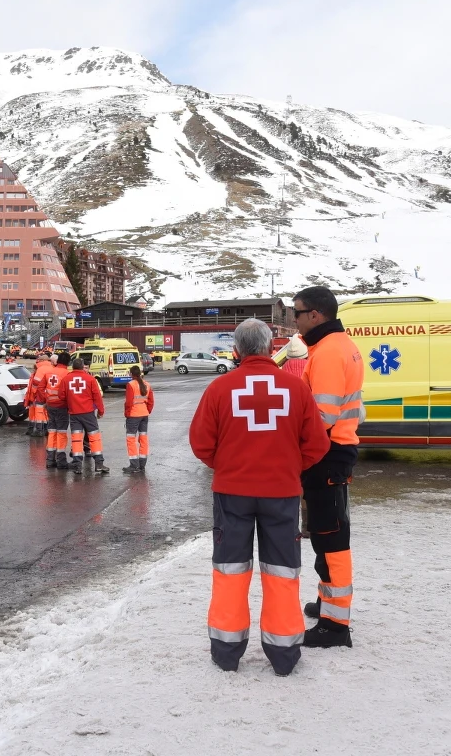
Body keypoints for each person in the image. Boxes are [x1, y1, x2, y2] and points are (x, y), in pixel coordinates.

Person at [189, 319, 330, 676]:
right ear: (271, 348)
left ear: (236, 350)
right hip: (281, 495)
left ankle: (226, 653)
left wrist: (228, 466)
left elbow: (201, 443)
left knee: (230, 571)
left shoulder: (221, 388)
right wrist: (288, 467)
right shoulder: (295, 389)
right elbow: (317, 444)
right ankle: (284, 656)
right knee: (282, 572)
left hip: (231, 494)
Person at [292, 286, 364, 648]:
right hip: (335, 451)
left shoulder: (329, 353)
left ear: (315, 315)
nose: (295, 320)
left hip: (327, 454)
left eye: (297, 313)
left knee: (330, 538)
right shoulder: (337, 346)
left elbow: (321, 416)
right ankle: (327, 605)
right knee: (326, 535)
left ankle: (335, 626)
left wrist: (292, 444)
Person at [66, 358, 108, 474]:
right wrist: (101, 411)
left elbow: (61, 396)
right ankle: (99, 464)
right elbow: (97, 397)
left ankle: (77, 465)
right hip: (88, 413)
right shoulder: (90, 379)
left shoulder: (66, 379)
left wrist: (69, 406)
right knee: (94, 438)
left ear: (73, 367)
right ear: (82, 366)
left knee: (76, 439)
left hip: (74, 414)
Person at [42, 352, 72, 469]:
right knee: (61, 433)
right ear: (68, 362)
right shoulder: (67, 374)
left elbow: (40, 388)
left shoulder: (49, 372)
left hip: (50, 406)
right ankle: (61, 461)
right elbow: (68, 393)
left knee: (52, 432)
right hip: (61, 407)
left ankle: (50, 460)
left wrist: (46, 401)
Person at [123, 365, 155, 474]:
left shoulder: (131, 385)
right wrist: (147, 411)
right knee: (143, 439)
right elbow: (151, 401)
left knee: (131, 439)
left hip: (133, 415)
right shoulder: (147, 384)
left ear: (131, 374)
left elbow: (128, 402)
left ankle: (133, 465)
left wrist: (127, 414)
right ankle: (142, 464)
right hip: (144, 415)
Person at [25, 353, 53, 437]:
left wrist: (33, 396)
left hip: (39, 394)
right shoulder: (52, 368)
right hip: (49, 394)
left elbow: (35, 384)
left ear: (41, 360)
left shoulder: (40, 369)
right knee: (46, 413)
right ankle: (46, 430)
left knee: (38, 412)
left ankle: (38, 430)